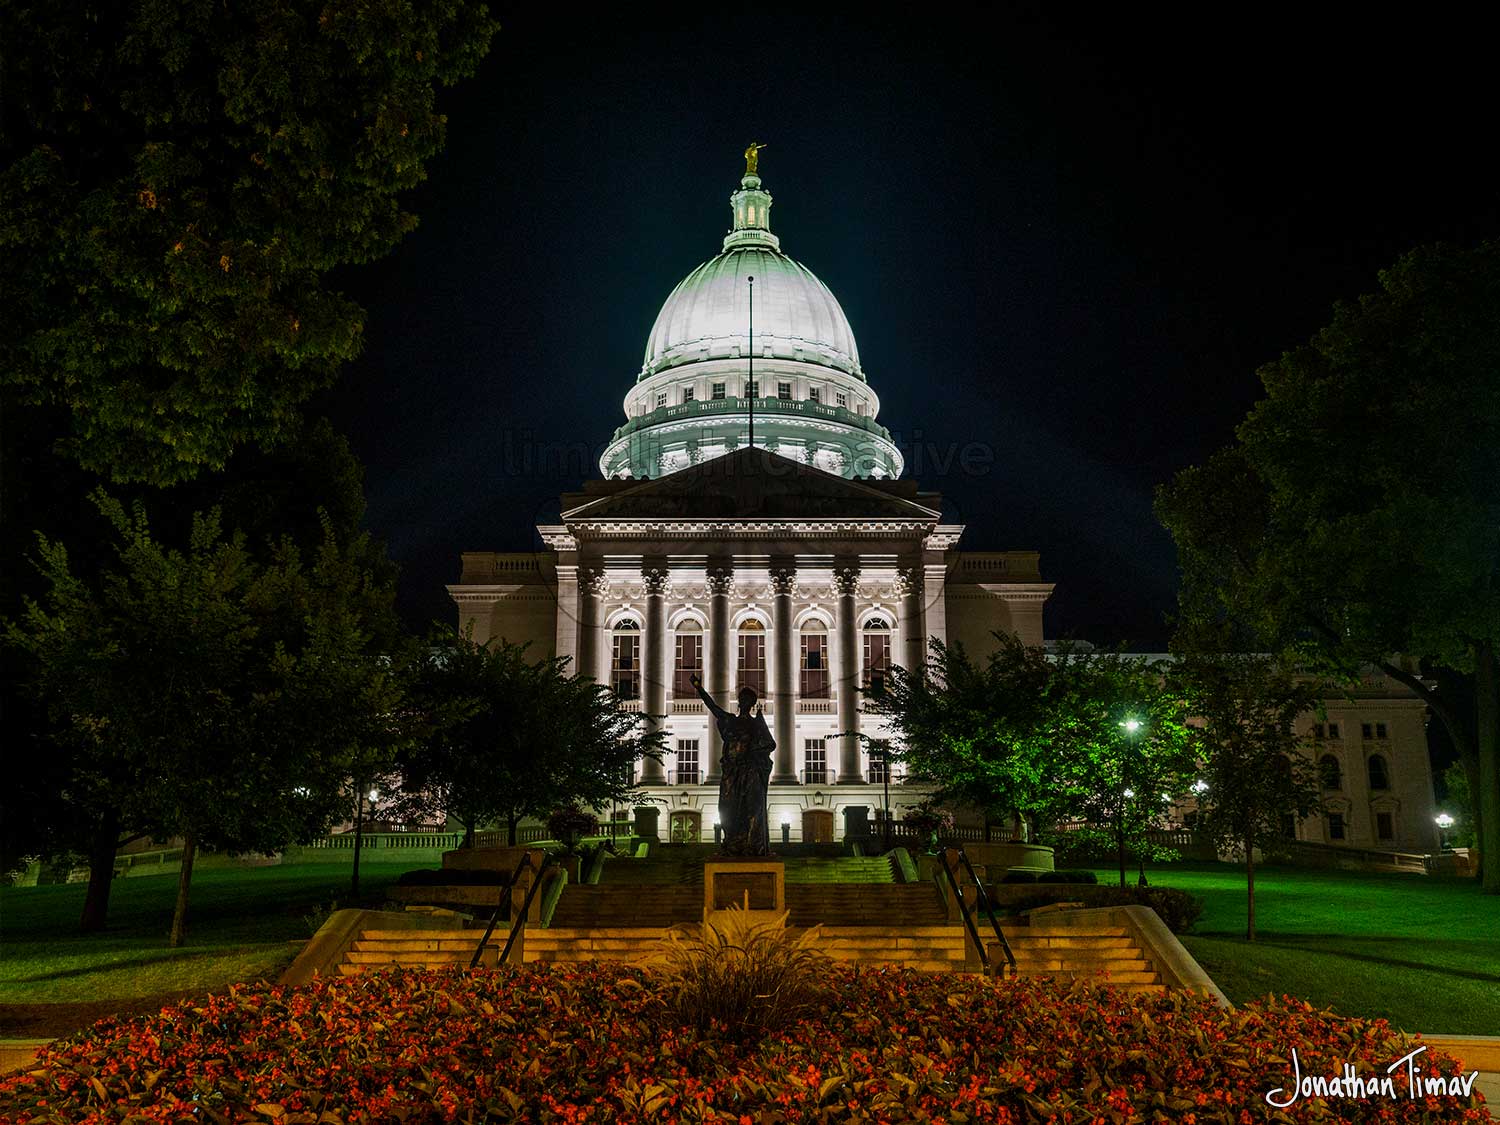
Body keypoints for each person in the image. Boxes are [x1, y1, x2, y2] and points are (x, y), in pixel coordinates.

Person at [690, 673, 774, 855]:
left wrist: (754, 753)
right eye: (741, 699)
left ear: (751, 704)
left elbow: (770, 744)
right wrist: (699, 688)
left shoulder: (755, 724)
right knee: (726, 808)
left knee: (752, 809)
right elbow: (712, 707)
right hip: (731, 771)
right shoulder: (731, 720)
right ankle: (732, 841)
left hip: (749, 771)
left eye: (746, 700)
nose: (742, 702)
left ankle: (751, 844)